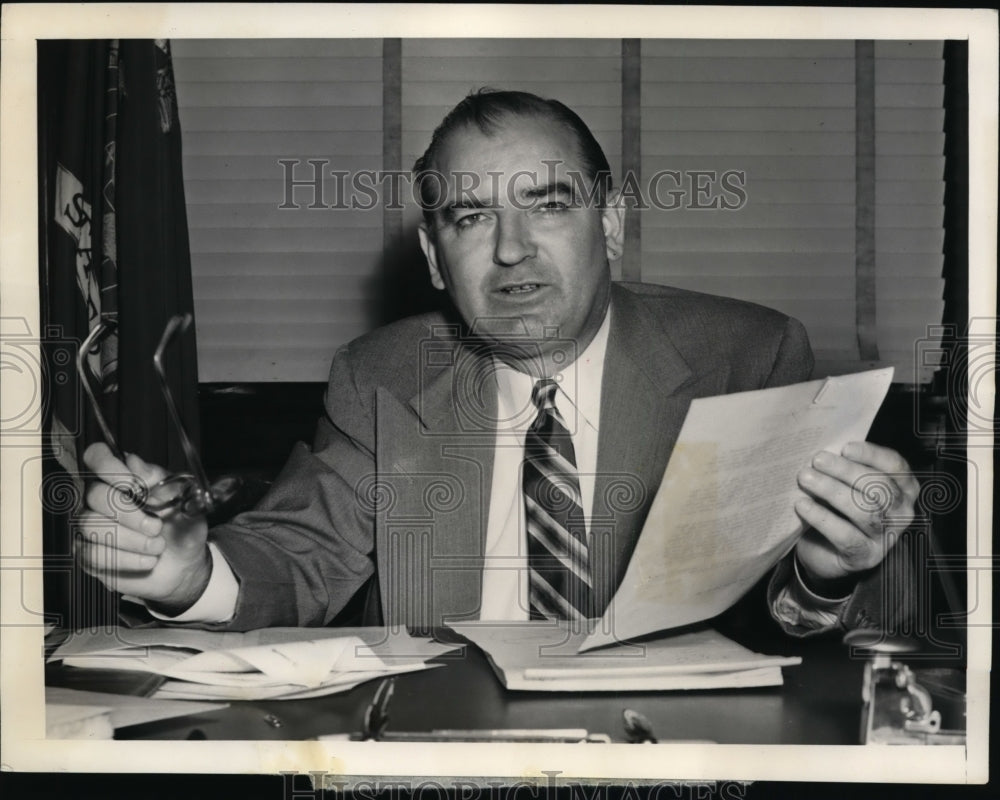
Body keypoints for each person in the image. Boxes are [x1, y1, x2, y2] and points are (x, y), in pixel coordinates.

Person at [77, 90, 920, 636]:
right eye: (471, 218)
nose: (513, 251)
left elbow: (813, 614)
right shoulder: (382, 375)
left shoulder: (748, 355)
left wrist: (825, 571)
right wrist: (189, 575)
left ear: (613, 225)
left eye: (547, 204)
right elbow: (301, 556)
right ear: (435, 257)